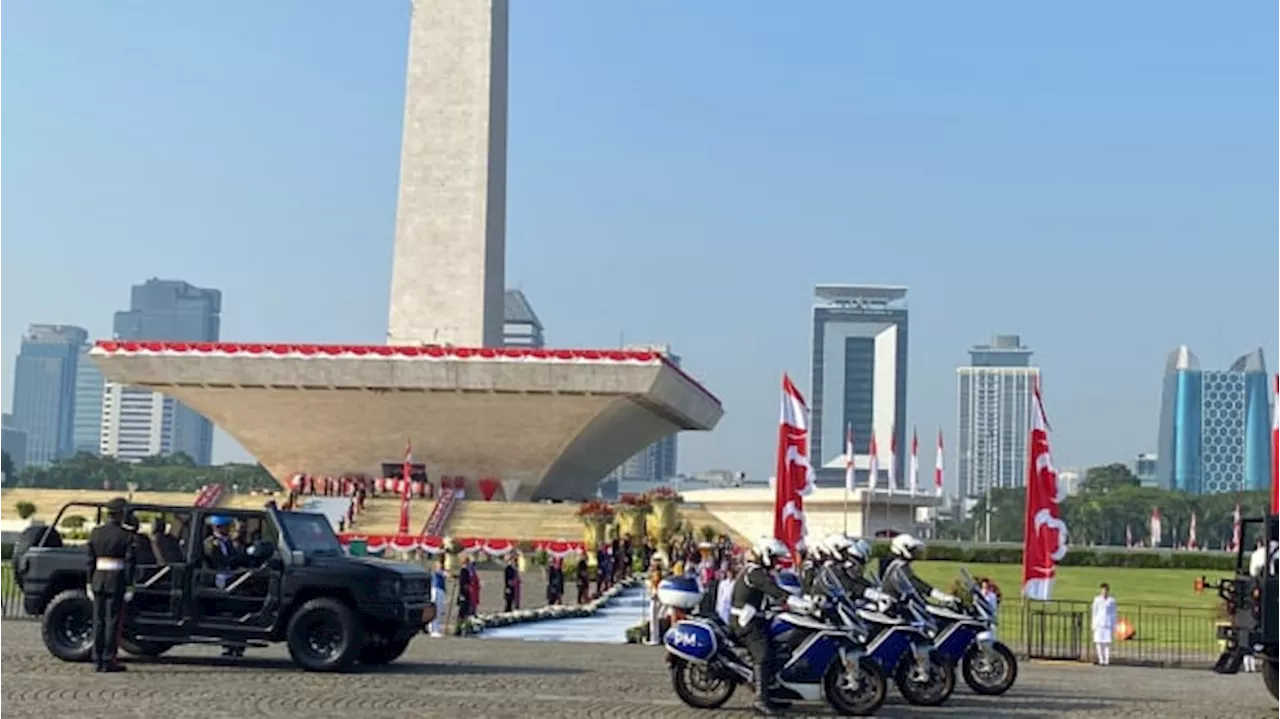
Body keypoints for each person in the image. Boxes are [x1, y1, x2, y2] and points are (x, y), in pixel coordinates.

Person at [730, 537, 815, 716]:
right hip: (747, 622)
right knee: (763, 654)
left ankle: (774, 691)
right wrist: (797, 603)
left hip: (757, 618)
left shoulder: (758, 571)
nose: (777, 563)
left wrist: (801, 600)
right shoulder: (755, 572)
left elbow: (772, 595)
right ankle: (760, 699)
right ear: (766, 554)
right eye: (775, 558)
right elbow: (774, 591)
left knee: (779, 646)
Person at [86, 497, 135, 673]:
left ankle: (97, 657)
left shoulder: (96, 533)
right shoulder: (126, 535)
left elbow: (90, 560)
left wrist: (89, 581)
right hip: (117, 580)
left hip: (99, 579)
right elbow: (129, 563)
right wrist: (130, 585)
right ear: (121, 515)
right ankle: (108, 659)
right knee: (113, 622)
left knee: (98, 621)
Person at [879, 534, 961, 609]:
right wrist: (939, 596)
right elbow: (914, 585)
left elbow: (915, 585)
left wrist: (935, 596)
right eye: (912, 550)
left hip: (899, 605)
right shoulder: (898, 566)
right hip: (894, 608)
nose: (915, 552)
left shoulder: (899, 565)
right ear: (903, 549)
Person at [1091, 583, 1117, 666]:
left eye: (1105, 590)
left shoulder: (1111, 600)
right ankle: (1101, 659)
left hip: (1107, 623)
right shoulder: (1097, 599)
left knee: (1107, 642)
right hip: (1099, 623)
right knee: (1098, 642)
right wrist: (1093, 624)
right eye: (1103, 590)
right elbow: (1094, 612)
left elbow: (1113, 613)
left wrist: (1114, 624)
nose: (1104, 592)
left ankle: (1107, 659)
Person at [428, 556, 447, 637]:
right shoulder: (437, 571)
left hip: (440, 590)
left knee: (438, 610)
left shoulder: (440, 570)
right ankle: (434, 629)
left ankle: (434, 628)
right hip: (436, 590)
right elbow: (445, 574)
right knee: (436, 610)